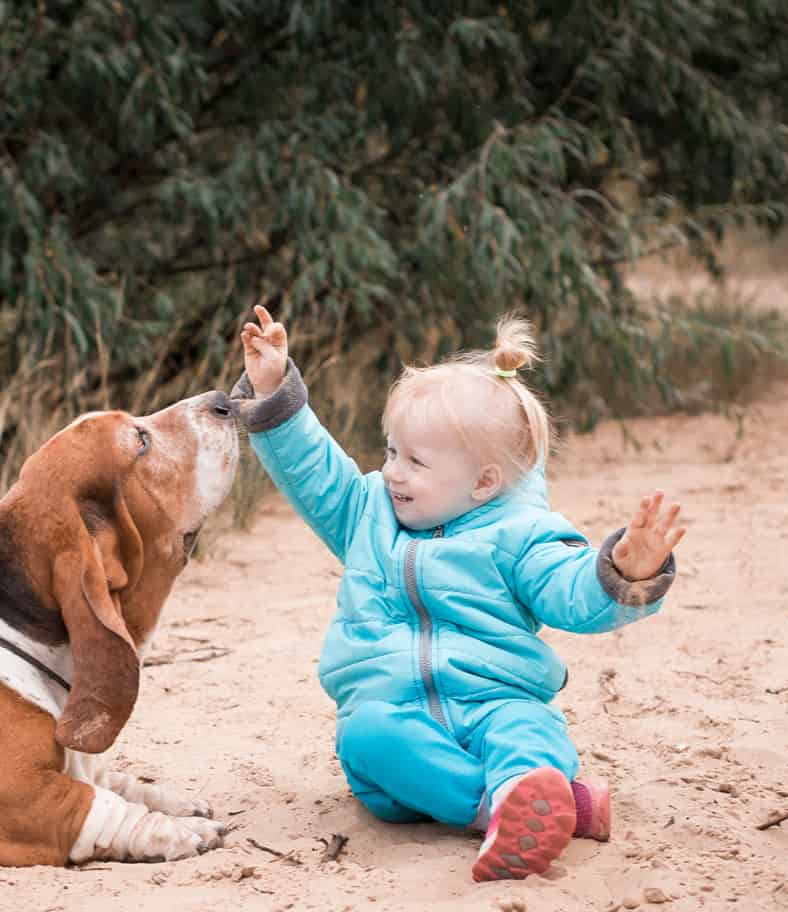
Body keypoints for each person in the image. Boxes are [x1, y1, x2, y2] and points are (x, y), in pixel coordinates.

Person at [231, 304, 685, 881]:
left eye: (415, 462)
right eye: (391, 451)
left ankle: (527, 794)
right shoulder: (366, 514)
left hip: (497, 701)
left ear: (485, 481)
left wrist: (627, 569)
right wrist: (272, 388)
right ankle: (508, 809)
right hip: (398, 721)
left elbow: (572, 593)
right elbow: (312, 470)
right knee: (367, 736)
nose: (393, 472)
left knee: (530, 733)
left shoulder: (521, 536)